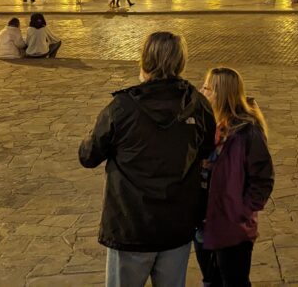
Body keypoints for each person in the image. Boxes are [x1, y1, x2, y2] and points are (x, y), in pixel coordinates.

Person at [79, 31, 215, 287]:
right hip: (177, 224)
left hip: (131, 225)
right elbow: (206, 149)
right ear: (180, 62)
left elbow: (88, 155)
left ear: (145, 60)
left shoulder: (122, 107)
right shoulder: (197, 104)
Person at [194, 68, 274, 286]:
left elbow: (263, 179)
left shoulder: (247, 133)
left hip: (232, 228)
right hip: (203, 224)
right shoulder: (206, 126)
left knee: (234, 282)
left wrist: (241, 211)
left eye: (207, 88)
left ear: (221, 94)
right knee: (210, 281)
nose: (201, 90)